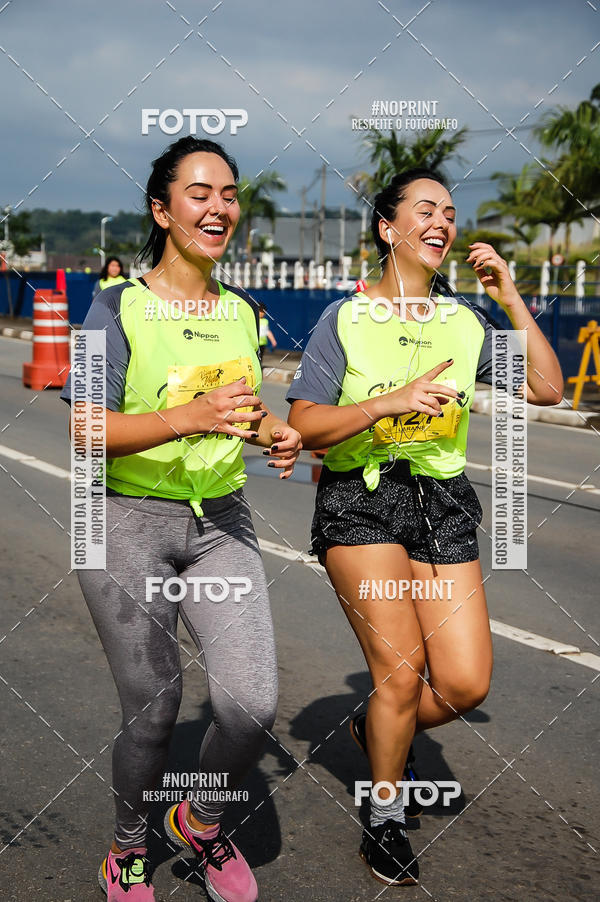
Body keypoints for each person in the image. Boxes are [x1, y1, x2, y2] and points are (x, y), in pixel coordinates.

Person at [286, 169, 563, 886]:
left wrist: (507, 296)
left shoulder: (464, 323)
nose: (441, 221)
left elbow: (548, 387)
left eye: (449, 211)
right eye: (424, 209)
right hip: (362, 499)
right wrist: (388, 404)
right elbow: (306, 425)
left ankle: (376, 724)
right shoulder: (344, 320)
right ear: (387, 229)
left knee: (466, 685)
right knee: (401, 674)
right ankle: (382, 812)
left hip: (440, 502)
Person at [61, 136, 302, 902]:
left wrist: (275, 433)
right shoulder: (113, 307)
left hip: (220, 523)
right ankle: (127, 847)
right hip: (122, 520)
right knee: (156, 708)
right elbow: (86, 429)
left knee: (251, 704)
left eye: (229, 193)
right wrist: (187, 416)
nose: (219, 207)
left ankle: (196, 821)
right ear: (163, 211)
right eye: (200, 193)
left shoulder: (239, 311)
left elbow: (243, 410)